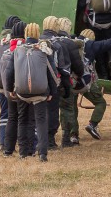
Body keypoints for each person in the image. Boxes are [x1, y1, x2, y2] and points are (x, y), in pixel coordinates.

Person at [4, 23, 57, 162]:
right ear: (38, 34)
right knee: (41, 121)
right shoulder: (43, 50)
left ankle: (22, 152)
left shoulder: (17, 50)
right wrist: (52, 91)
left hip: (22, 92)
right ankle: (42, 153)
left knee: (22, 120)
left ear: (26, 34)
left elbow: (9, 72)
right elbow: (52, 73)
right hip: (40, 92)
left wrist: (10, 89)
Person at [75, 28, 111, 140]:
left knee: (69, 108)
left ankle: (72, 135)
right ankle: (92, 125)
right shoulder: (91, 45)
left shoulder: (70, 41)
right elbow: (109, 43)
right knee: (101, 103)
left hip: (69, 82)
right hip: (83, 82)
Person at [40, 16, 72, 150]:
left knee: (37, 112)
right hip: (52, 85)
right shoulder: (57, 45)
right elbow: (63, 69)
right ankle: (50, 141)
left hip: (35, 83)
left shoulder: (37, 41)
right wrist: (67, 87)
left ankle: (36, 138)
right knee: (52, 112)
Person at [55, 17, 86, 147]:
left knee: (51, 110)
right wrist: (77, 76)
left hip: (51, 82)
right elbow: (79, 67)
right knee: (67, 109)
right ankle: (66, 138)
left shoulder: (50, 41)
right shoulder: (70, 43)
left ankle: (49, 139)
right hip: (66, 81)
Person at [0, 15, 21, 151]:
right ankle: (12, 144)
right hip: (11, 85)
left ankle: (3, 143)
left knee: (4, 113)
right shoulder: (15, 42)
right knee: (15, 114)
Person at [1, 21, 27, 157]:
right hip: (21, 89)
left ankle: (8, 149)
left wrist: (8, 89)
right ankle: (24, 149)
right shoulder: (24, 50)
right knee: (24, 119)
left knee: (12, 117)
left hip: (9, 90)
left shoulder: (6, 50)